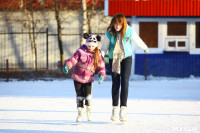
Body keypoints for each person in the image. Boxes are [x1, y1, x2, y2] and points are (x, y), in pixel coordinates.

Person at [101, 14, 149, 122]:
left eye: (119, 24)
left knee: (125, 82)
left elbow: (137, 40)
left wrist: (145, 47)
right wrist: (100, 56)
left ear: (123, 24)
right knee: (115, 83)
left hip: (126, 57)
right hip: (114, 59)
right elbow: (104, 47)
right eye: (115, 23)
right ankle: (114, 109)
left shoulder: (129, 31)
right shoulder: (109, 33)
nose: (117, 26)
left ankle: (123, 109)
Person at [63, 33, 106, 122]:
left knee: (88, 96)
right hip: (77, 77)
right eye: (89, 45)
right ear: (86, 44)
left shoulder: (98, 54)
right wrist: (67, 65)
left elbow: (101, 66)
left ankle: (89, 111)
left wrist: (102, 75)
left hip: (89, 78)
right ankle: (79, 113)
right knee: (79, 96)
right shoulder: (80, 51)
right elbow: (73, 59)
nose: (91, 47)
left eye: (93, 46)